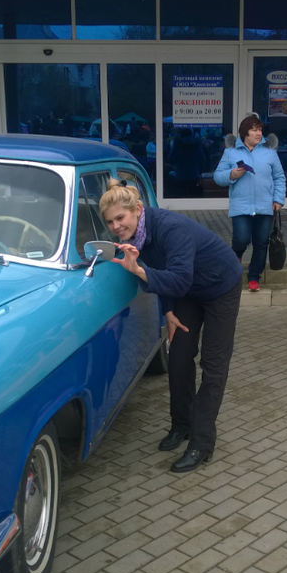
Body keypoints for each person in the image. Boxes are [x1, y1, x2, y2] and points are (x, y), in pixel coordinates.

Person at [99, 180, 243, 473]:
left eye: (120, 218)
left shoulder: (170, 228)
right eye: (110, 222)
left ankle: (201, 443)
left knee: (213, 365)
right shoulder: (137, 235)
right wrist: (168, 311)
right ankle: (181, 425)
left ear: (137, 209)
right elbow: (163, 270)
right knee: (178, 356)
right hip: (189, 289)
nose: (116, 226)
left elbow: (176, 278)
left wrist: (139, 270)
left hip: (221, 285)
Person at [213, 115, 286, 292]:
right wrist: (231, 175)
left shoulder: (270, 152)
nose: (258, 133)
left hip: (264, 206)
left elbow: (279, 177)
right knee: (241, 239)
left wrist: (278, 199)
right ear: (244, 133)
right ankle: (235, 257)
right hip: (241, 206)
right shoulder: (231, 152)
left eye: (260, 130)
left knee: (261, 243)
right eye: (254, 130)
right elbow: (217, 176)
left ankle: (254, 277)